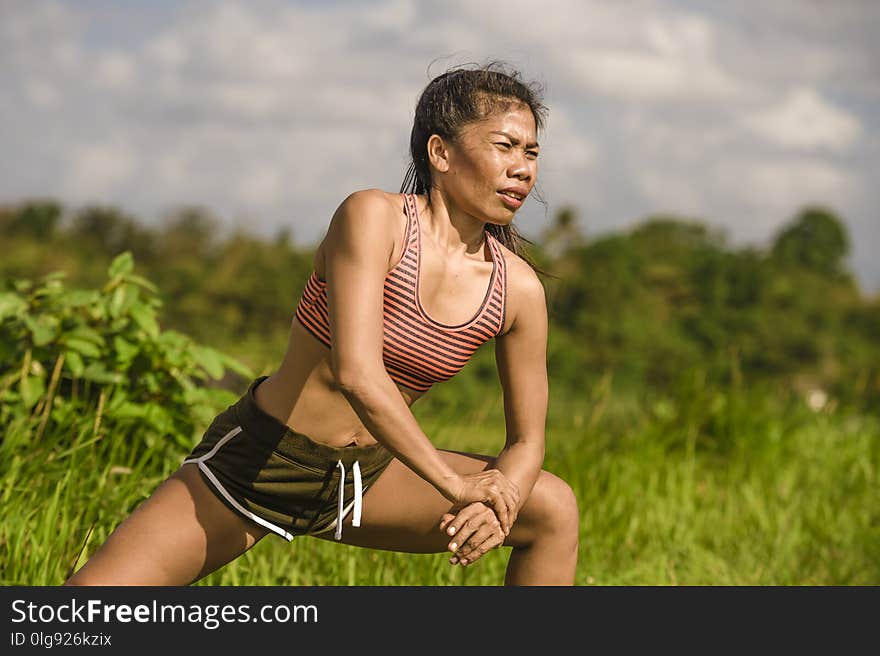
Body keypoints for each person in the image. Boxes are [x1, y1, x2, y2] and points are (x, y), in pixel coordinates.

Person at [65, 62, 579, 587]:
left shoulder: (518, 289)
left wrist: (499, 502)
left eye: (531, 152)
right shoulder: (373, 219)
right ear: (441, 153)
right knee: (84, 610)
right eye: (505, 146)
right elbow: (358, 373)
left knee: (552, 508)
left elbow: (526, 444)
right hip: (264, 461)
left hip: (367, 478)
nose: (522, 168)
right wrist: (454, 484)